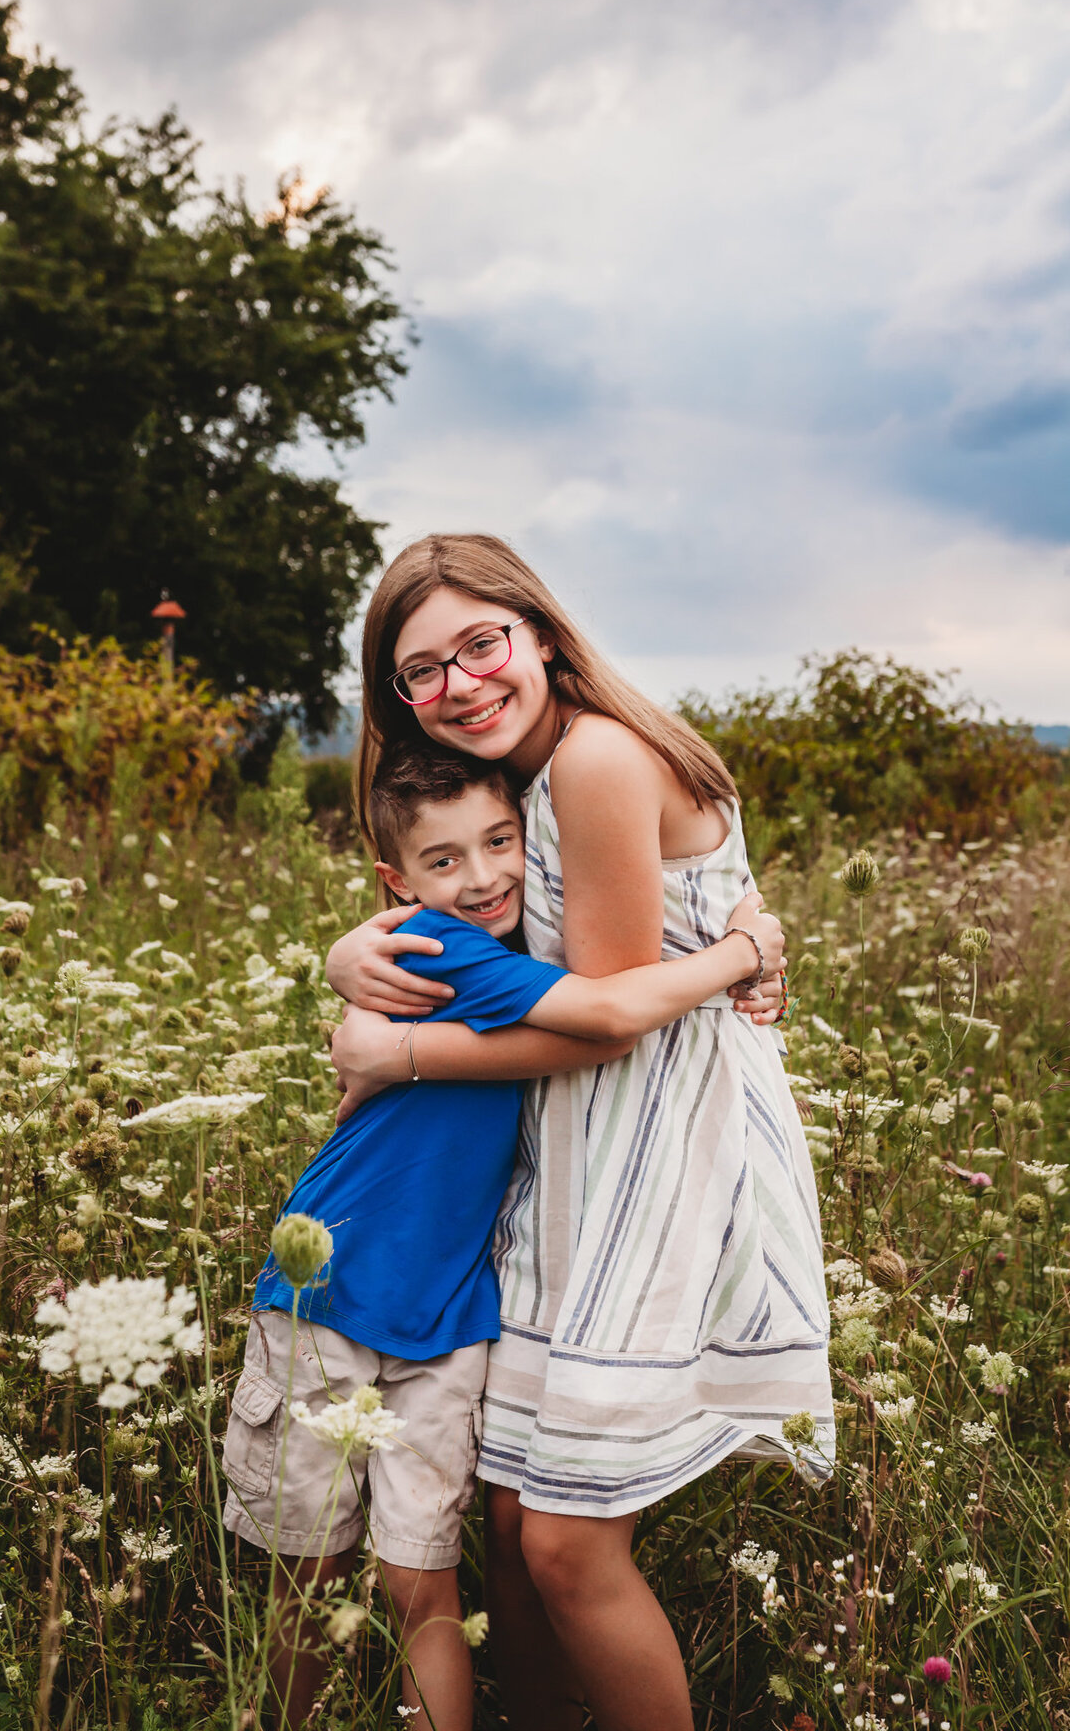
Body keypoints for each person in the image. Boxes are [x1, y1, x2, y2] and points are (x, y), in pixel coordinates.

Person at [325, 534, 834, 1731]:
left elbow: (605, 1020)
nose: (460, 683)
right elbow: (461, 905)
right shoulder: (511, 782)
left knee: (559, 1539)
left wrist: (394, 1051)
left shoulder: (597, 758)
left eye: (481, 645)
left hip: (658, 1151)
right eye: (422, 671)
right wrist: (349, 951)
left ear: (541, 634)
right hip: (566, 1152)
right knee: (509, 1511)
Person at [223, 742, 785, 1731]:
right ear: (398, 883)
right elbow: (614, 1011)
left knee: (422, 1589)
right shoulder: (453, 953)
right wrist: (738, 954)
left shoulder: (526, 950)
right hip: (329, 1294)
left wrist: (757, 946)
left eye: (500, 842)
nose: (481, 876)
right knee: (305, 1581)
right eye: (445, 860)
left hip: (446, 1322)